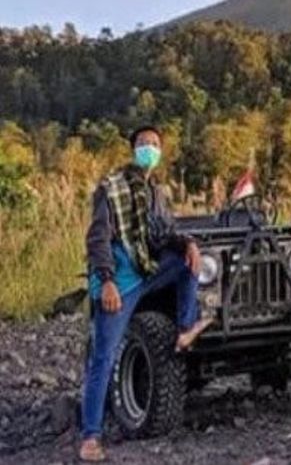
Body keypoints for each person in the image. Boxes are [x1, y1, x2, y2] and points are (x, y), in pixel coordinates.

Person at [78, 126, 211, 462]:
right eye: (142, 144)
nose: (148, 149)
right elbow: (97, 239)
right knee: (103, 358)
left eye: (154, 144)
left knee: (187, 261)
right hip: (119, 282)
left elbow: (164, 231)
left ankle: (185, 328)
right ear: (132, 148)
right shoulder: (111, 188)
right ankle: (89, 437)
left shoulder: (155, 192)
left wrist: (188, 243)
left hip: (146, 270)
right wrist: (106, 280)